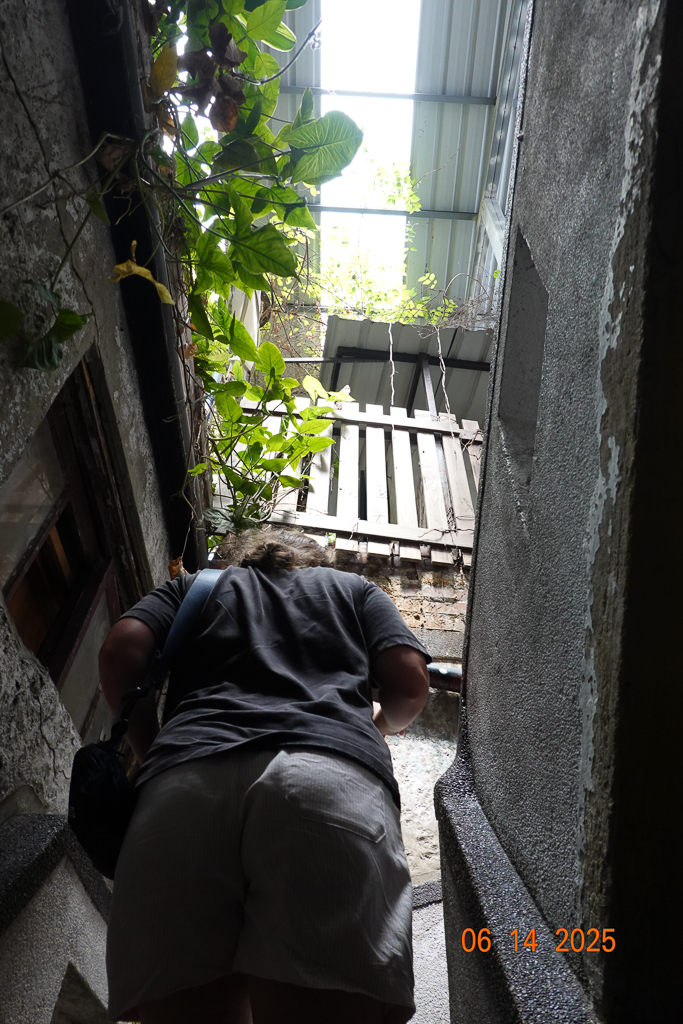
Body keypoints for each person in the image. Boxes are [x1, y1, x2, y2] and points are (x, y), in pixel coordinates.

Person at [100, 529, 431, 1024]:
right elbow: (410, 684)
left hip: (183, 788)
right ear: (315, 560)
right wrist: (378, 724)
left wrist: (156, 752)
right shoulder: (355, 590)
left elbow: (119, 652)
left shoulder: (194, 587)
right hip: (328, 777)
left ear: (241, 557)